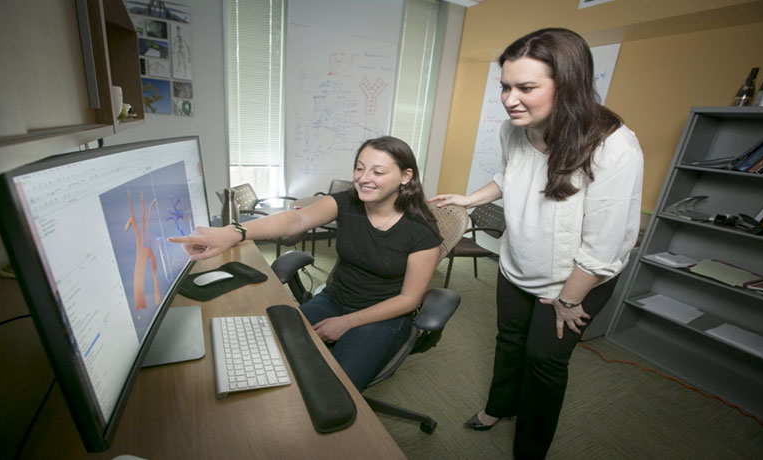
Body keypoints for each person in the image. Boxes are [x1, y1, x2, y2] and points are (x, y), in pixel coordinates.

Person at [429, 28, 643, 459]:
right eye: (505, 87)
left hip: (575, 282)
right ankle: (498, 407)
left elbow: (604, 245)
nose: (510, 99)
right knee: (509, 340)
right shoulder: (515, 131)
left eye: (526, 88)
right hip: (517, 264)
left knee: (544, 363)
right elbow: (511, 177)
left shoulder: (614, 147)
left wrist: (567, 301)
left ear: (568, 86)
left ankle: (530, 448)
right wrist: (470, 198)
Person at [170, 136, 442, 391]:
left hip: (383, 315)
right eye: (360, 168)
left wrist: (346, 322)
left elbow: (408, 299)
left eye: (378, 172)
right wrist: (233, 233)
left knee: (333, 387)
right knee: (267, 348)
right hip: (335, 298)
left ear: (406, 176)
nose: (364, 179)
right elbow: (296, 219)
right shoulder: (347, 203)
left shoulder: (421, 230)